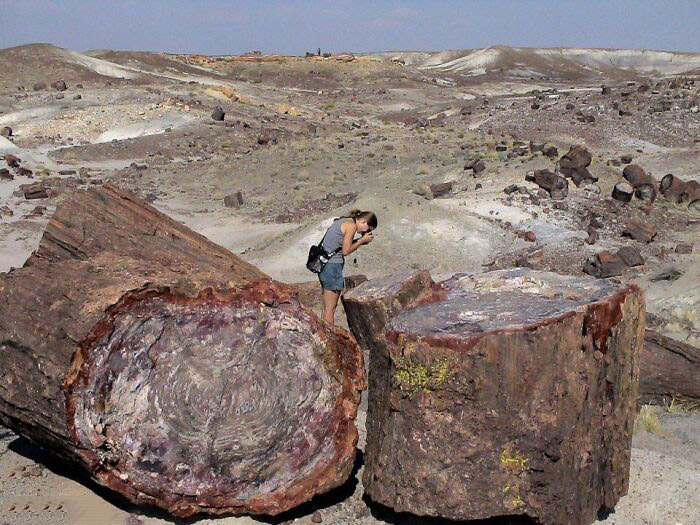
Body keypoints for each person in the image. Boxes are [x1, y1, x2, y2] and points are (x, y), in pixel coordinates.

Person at [318, 209, 377, 324]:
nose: (365, 232)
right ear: (364, 221)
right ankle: (328, 336)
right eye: (368, 229)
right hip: (332, 267)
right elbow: (346, 250)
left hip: (327, 266)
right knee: (330, 308)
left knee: (326, 308)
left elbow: (342, 244)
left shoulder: (345, 221)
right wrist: (361, 241)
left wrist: (360, 240)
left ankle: (323, 332)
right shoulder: (351, 226)